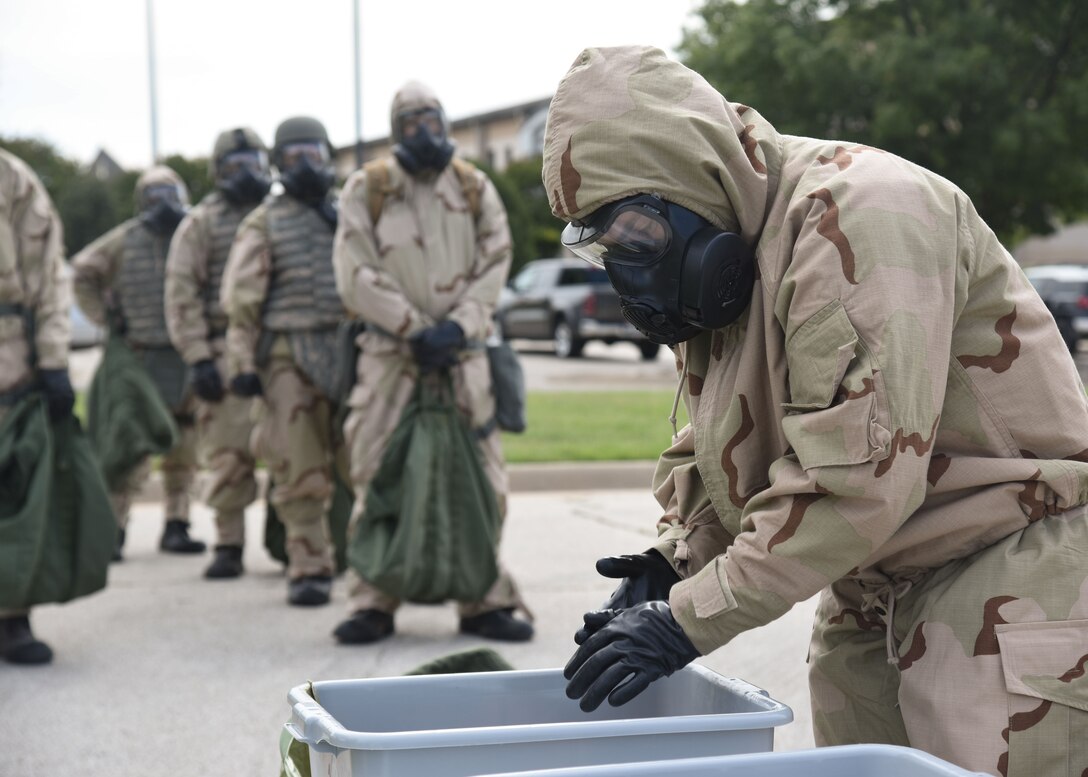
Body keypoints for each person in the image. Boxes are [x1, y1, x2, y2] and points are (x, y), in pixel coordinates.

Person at [543, 46, 1088, 777]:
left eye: (637, 233)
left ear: (696, 176)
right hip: (870, 583)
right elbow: (723, 440)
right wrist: (674, 561)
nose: (627, 268)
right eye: (603, 245)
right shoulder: (726, 251)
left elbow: (859, 478)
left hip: (996, 572)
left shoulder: (863, 213)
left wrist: (686, 618)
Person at [331, 81, 533, 644]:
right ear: (397, 130)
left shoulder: (474, 187)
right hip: (390, 361)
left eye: (433, 118)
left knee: (484, 483)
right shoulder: (365, 189)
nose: (426, 129)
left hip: (464, 362)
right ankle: (372, 601)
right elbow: (354, 271)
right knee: (377, 475)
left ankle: (484, 601)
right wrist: (415, 331)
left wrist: (457, 327)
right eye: (413, 120)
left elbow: (496, 258)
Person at [220, 116, 348, 606]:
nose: (306, 165)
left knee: (363, 465)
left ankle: (362, 562)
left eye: (313, 153)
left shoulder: (350, 211)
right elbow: (241, 301)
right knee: (299, 469)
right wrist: (242, 365)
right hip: (286, 360)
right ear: (277, 164)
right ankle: (308, 565)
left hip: (351, 354)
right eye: (293, 157)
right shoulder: (264, 221)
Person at [73, 166, 206, 559]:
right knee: (129, 447)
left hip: (185, 355)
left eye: (170, 194)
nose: (163, 204)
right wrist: (105, 319)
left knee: (184, 446)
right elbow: (83, 272)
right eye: (154, 196)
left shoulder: (193, 236)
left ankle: (177, 525)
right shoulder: (124, 240)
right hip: (140, 358)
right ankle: (113, 530)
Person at [165, 127, 271, 579]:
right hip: (222, 348)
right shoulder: (201, 224)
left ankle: (298, 546)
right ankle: (229, 544)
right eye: (234, 168)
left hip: (280, 347)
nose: (245, 176)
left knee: (296, 453)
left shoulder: (283, 214)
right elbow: (181, 292)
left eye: (253, 165)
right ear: (217, 173)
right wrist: (197, 357)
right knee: (227, 454)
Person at [0, 147, 75, 664]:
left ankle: (11, 615)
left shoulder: (12, 179)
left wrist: (52, 360)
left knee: (13, 492)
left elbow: (50, 277)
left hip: (10, 361)